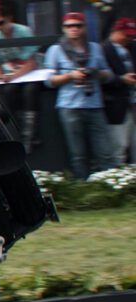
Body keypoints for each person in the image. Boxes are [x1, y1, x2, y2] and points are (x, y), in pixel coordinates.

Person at [44, 12, 115, 179]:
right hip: (70, 106)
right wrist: (71, 75)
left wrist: (96, 73)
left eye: (78, 25)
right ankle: (83, 188)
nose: (74, 29)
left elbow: (109, 75)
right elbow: (48, 80)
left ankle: (107, 187)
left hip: (94, 104)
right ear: (63, 28)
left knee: (105, 153)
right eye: (69, 26)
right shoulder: (55, 50)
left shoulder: (95, 48)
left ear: (84, 28)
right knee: (78, 155)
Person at [0, 0, 41, 152]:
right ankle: (21, 133)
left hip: (29, 73)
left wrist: (13, 76)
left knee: (30, 91)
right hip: (9, 76)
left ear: (9, 18)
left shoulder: (23, 31)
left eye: (0, 23)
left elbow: (31, 63)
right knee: (9, 91)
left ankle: (30, 135)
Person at [100, 16, 136, 164]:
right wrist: (121, 79)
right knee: (119, 146)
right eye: (126, 35)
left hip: (132, 102)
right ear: (115, 31)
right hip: (116, 105)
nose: (129, 38)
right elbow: (101, 77)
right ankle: (117, 175)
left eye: (131, 35)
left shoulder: (132, 47)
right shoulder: (103, 50)